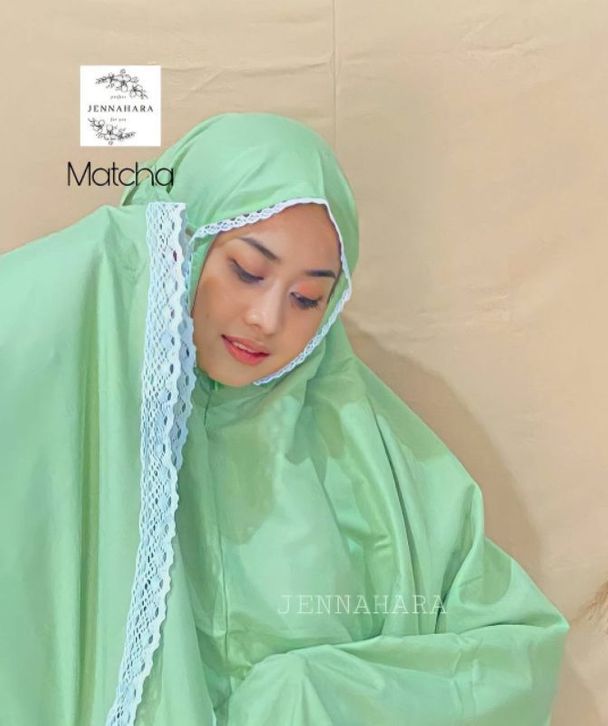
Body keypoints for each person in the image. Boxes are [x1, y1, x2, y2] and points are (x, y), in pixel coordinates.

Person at [0, 112, 570, 725]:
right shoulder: (76, 396)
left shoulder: (373, 451)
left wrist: (314, 695)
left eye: (306, 298)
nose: (267, 319)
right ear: (175, 244)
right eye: (247, 272)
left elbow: (516, 652)